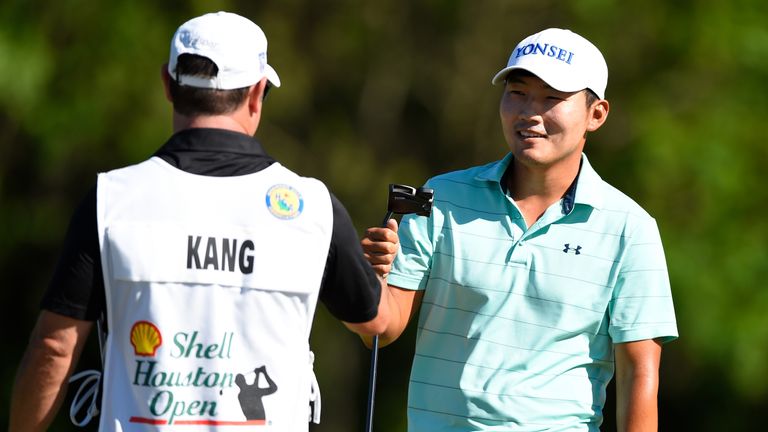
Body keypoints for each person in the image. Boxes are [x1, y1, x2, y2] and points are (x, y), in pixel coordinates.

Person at [9, 11, 389, 431]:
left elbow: (54, 348)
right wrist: (401, 261)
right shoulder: (313, 207)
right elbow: (377, 323)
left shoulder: (111, 199)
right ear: (257, 93)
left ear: (168, 85)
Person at [361, 28, 678, 431]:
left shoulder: (629, 228)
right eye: (518, 92)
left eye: (552, 98)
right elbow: (382, 327)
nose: (530, 112)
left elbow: (639, 376)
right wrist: (364, 279)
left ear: (595, 115)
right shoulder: (441, 196)